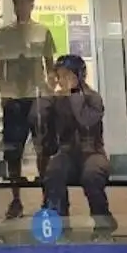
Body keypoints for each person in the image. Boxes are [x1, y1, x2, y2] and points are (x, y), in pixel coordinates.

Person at [31, 53, 117, 238]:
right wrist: (47, 93)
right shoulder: (56, 99)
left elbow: (86, 121)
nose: (63, 80)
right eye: (60, 75)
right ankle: (60, 225)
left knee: (92, 175)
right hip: (67, 153)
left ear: (79, 75)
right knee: (54, 172)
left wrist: (74, 95)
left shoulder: (93, 98)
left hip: (92, 152)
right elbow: (37, 118)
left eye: (67, 75)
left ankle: (103, 222)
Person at [0, 0, 56, 221]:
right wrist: (4, 93)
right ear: (14, 5)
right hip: (14, 99)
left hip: (37, 97)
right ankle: (16, 200)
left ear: (32, 5)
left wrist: (50, 91)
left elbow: (50, 64)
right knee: (13, 152)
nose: (22, 7)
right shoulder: (4, 33)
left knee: (43, 149)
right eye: (18, 3)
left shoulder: (42, 31)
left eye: (26, 3)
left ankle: (47, 197)